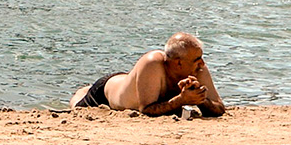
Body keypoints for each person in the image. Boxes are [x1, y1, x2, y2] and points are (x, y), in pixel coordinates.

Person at [71, 32, 227, 116]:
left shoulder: (197, 69)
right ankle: (83, 90)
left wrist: (200, 99)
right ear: (178, 63)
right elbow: (146, 109)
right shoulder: (153, 63)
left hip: (132, 82)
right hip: (105, 92)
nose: (203, 63)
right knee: (76, 105)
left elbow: (219, 108)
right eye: (197, 59)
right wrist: (182, 100)